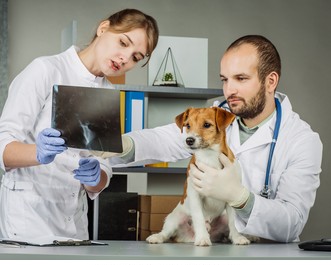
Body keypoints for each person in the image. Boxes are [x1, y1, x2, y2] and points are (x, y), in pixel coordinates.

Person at [108, 35, 323, 243]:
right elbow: (162, 140)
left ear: (270, 81)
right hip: (216, 250)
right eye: (225, 79)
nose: (229, 90)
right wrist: (118, 145)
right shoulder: (214, 115)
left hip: (268, 255)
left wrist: (240, 198)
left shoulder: (301, 140)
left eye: (241, 78)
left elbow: (292, 223)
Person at [0, 8, 159, 241]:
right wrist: (38, 152)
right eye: (123, 43)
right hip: (28, 218)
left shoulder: (108, 93)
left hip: (74, 221)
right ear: (103, 28)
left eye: (136, 57)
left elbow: (103, 163)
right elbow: (2, 146)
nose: (126, 58)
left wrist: (96, 179)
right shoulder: (45, 70)